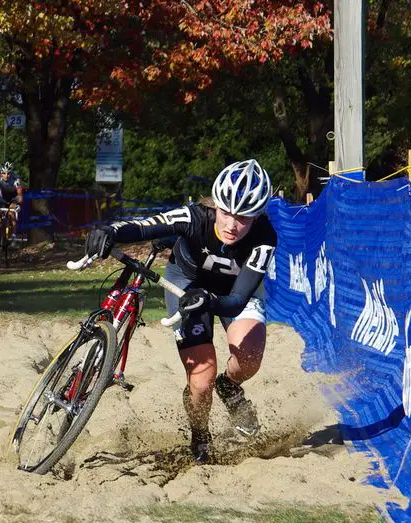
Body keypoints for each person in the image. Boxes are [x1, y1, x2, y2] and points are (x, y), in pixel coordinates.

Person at [84, 159, 276, 463]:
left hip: (231, 293)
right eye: (226, 212)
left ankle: (229, 385)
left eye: (244, 218)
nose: (231, 225)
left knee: (249, 358)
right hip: (185, 283)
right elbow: (146, 225)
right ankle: (200, 435)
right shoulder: (194, 217)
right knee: (201, 380)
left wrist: (210, 300)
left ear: (257, 216)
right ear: (215, 206)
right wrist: (110, 231)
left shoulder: (264, 238)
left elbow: (238, 300)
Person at [0, 161, 25, 243]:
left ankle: (14, 237)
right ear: (1, 173)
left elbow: (20, 195)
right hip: (3, 199)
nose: (6, 176)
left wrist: (19, 204)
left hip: (14, 198)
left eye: (8, 173)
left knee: (11, 214)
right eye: (4, 173)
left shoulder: (16, 179)